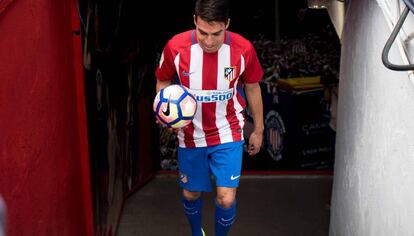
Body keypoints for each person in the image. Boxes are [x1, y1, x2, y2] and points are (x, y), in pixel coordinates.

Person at [155, 0, 264, 235]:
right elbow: (163, 80)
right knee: (190, 193)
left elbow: (253, 87)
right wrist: (166, 115)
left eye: (216, 34)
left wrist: (259, 129)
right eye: (202, 32)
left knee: (225, 198)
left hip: (228, 131)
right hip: (191, 134)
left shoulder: (243, 49)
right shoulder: (175, 47)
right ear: (194, 20)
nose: (209, 41)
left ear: (227, 25)